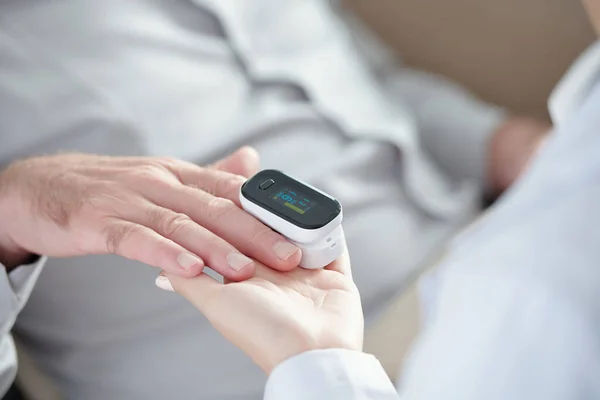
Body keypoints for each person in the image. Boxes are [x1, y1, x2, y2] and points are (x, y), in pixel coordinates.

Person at [0, 1, 548, 398]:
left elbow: (376, 84)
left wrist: (510, 145)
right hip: (301, 369)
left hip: (477, 256)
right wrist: (6, 220)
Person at [160, 1, 600, 398]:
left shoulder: (527, 295)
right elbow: (375, 84)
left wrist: (318, 364)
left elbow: (376, 83)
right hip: (287, 349)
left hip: (418, 293)